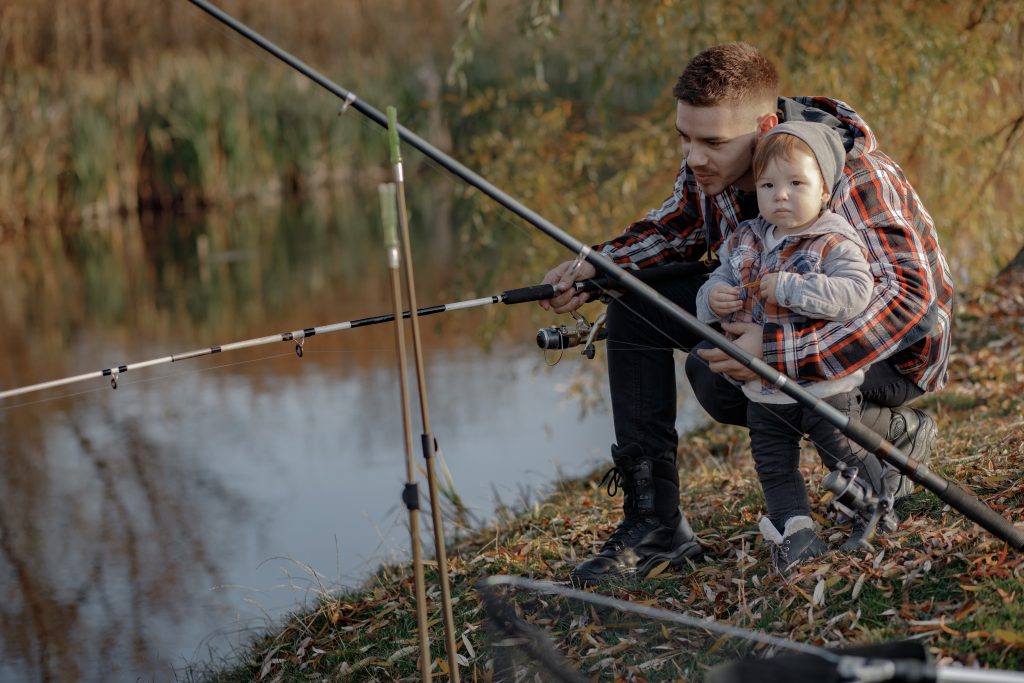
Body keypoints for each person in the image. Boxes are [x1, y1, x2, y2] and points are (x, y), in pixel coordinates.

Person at [540, 42, 951, 587]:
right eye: (684, 138)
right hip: (774, 317)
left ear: (763, 124)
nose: (693, 157)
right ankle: (657, 528)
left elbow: (908, 302)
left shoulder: (853, 175)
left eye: (711, 141)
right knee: (633, 301)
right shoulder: (713, 169)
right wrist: (594, 268)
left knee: (726, 371)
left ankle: (890, 431)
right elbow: (673, 229)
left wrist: (775, 351)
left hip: (891, 360)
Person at [696, 121, 890, 572]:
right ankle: (795, 531)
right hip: (763, 393)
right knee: (773, 466)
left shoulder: (833, 240)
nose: (780, 195)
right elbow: (715, 284)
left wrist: (789, 289)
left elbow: (855, 295)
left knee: (842, 453)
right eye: (768, 185)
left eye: (796, 184)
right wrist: (712, 297)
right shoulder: (746, 238)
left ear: (824, 190)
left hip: (824, 385)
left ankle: (875, 505)